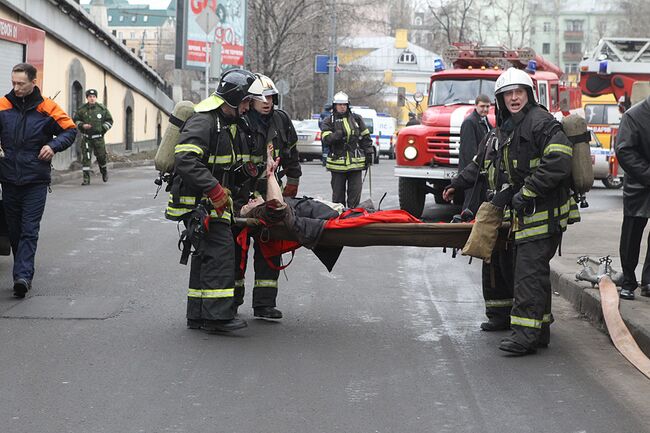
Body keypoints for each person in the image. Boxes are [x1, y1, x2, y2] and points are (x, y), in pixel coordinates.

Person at [445, 68, 579, 355]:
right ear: (500, 99)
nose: (514, 98)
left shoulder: (541, 123)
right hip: (521, 214)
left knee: (528, 273)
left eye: (519, 92)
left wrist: (527, 192)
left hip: (542, 214)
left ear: (528, 95)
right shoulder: (501, 130)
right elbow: (479, 164)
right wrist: (457, 183)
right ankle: (534, 329)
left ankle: (525, 337)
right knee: (509, 266)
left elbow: (559, 160)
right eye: (508, 94)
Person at [164, 69, 265, 333]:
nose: (247, 108)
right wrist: (214, 190)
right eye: (245, 102)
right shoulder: (205, 121)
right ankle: (217, 317)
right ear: (232, 99)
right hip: (199, 202)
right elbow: (186, 159)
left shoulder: (226, 123)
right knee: (221, 253)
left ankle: (197, 314)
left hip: (210, 202)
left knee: (206, 255)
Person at [0, 63, 77, 298]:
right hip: (8, 178)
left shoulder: (48, 108)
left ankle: (22, 276)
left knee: (29, 229)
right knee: (13, 230)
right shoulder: (3, 105)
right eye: (13, 82)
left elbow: (70, 130)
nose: (16, 87)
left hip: (36, 180)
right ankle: (21, 270)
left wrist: (52, 146)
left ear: (34, 83)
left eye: (20, 83)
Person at [234, 74, 302, 319]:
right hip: (242, 193)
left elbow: (292, 152)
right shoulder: (240, 120)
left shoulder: (281, 120)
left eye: (271, 97)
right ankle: (232, 302)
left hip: (271, 190)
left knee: (269, 244)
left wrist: (293, 180)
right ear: (250, 100)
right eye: (262, 97)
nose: (267, 102)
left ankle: (264, 304)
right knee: (237, 248)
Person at [614, 94, 650, 300]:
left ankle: (649, 280)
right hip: (639, 185)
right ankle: (628, 280)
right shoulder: (634, 116)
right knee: (631, 234)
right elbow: (624, 151)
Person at [321, 91, 373, 208]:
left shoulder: (356, 119)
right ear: (335, 106)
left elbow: (365, 137)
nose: (342, 107)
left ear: (348, 105)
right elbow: (325, 139)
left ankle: (352, 218)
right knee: (338, 197)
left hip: (355, 164)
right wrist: (335, 136)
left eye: (344, 104)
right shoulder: (329, 121)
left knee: (354, 195)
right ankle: (339, 219)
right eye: (339, 105)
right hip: (337, 165)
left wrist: (369, 152)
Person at [458, 94, 492, 213]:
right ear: (476, 106)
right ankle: (465, 228)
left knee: (480, 205)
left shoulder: (485, 121)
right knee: (470, 206)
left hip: (481, 173)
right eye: (482, 106)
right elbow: (468, 151)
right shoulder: (469, 122)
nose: (485, 109)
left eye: (488, 106)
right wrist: (473, 172)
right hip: (473, 173)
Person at [73, 89, 113, 185]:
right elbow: (76, 120)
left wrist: (102, 128)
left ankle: (104, 172)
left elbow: (109, 121)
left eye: (94, 97)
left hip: (98, 138)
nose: (92, 98)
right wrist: (82, 125)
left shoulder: (102, 109)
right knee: (86, 158)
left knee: (101, 157)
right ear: (87, 98)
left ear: (96, 97)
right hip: (87, 138)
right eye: (90, 97)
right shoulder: (82, 109)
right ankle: (86, 179)